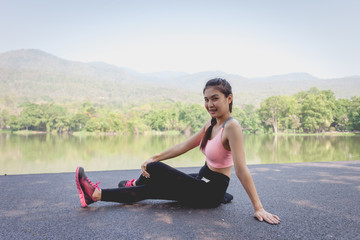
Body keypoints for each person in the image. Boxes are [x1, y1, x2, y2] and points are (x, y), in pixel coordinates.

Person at [75, 78, 280, 225]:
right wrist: (155, 155)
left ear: (229, 98)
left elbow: (242, 170)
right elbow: (183, 146)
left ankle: (131, 184)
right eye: (206, 99)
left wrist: (258, 207)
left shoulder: (231, 127)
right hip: (202, 180)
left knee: (154, 171)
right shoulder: (211, 125)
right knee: (151, 187)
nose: (209, 104)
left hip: (210, 192)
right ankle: (96, 195)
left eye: (215, 98)